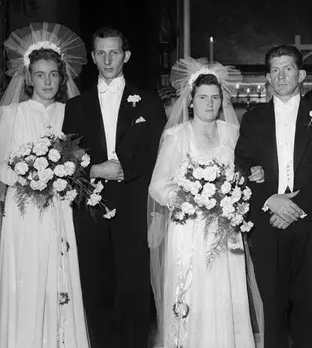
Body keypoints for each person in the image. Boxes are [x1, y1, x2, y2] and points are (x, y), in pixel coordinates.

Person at [148, 57, 264, 347]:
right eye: (203, 97)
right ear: (191, 101)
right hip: (189, 228)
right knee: (194, 294)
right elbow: (157, 186)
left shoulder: (233, 133)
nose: (209, 103)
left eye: (215, 97)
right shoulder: (176, 136)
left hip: (225, 229)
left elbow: (242, 173)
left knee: (226, 294)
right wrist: (185, 197)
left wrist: (247, 179)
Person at [62, 27, 166, 348]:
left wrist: (126, 173)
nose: (108, 60)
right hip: (90, 211)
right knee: (96, 290)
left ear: (126, 56)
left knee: (134, 291)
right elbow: (66, 160)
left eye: (115, 52)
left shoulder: (148, 103)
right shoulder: (76, 106)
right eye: (101, 53)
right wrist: (96, 170)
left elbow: (160, 157)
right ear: (93, 57)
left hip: (134, 209)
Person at [235, 44, 312, 348]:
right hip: (267, 223)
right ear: (268, 77)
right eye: (274, 70)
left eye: (287, 69)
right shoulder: (253, 118)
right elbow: (243, 164)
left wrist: (297, 207)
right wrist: (270, 200)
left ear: (300, 75)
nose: (280, 76)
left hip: (310, 222)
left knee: (310, 308)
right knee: (274, 308)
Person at [0, 22, 89, 347]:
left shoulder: (71, 112)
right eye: (40, 75)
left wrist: (62, 175)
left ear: (62, 77)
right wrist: (27, 177)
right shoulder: (11, 114)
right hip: (23, 209)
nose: (47, 82)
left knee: (58, 273)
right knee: (27, 274)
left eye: (53, 74)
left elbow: (81, 160)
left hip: (60, 208)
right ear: (29, 78)